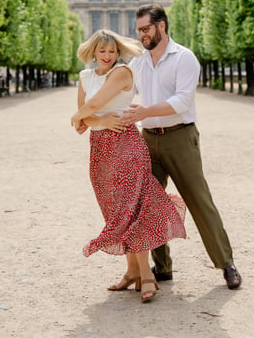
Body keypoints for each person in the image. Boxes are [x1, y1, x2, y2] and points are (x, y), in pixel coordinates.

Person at [121, 4, 242, 290]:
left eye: (146, 28)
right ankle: (162, 268)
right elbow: (124, 94)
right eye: (139, 30)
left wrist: (144, 111)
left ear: (161, 26)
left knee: (200, 201)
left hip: (180, 138)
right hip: (148, 138)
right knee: (147, 204)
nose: (142, 35)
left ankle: (227, 264)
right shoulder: (138, 62)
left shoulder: (184, 58)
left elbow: (181, 102)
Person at [70, 29, 186, 303]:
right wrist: (99, 121)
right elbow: (81, 127)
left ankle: (146, 274)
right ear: (93, 53)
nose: (108, 56)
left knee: (131, 208)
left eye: (112, 51)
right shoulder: (85, 78)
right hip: (100, 150)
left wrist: (80, 116)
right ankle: (132, 270)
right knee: (114, 210)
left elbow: (93, 106)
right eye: (103, 51)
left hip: (125, 145)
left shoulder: (121, 73)